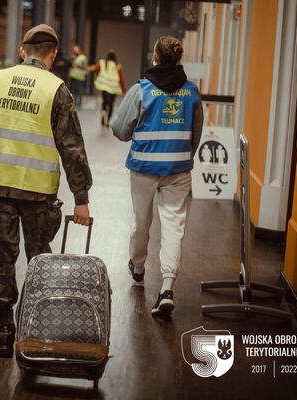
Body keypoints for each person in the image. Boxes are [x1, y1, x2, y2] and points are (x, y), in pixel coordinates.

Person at [0, 24, 92, 357]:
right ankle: (35, 327)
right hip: (37, 193)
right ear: (53, 55)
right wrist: (82, 200)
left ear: (22, 51)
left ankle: (4, 332)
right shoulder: (57, 89)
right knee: (39, 260)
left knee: (2, 260)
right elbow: (72, 148)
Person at [111, 36, 203, 318]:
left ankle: (138, 268)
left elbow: (119, 130)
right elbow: (195, 135)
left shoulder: (141, 90)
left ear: (155, 57)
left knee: (142, 223)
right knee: (174, 227)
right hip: (178, 170)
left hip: (144, 169)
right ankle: (166, 288)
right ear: (177, 59)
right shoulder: (192, 92)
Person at [93, 49, 126, 126]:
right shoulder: (117, 66)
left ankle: (103, 113)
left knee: (104, 102)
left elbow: (95, 69)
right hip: (114, 88)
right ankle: (108, 120)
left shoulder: (103, 63)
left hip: (104, 87)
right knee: (111, 104)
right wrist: (124, 90)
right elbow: (121, 79)